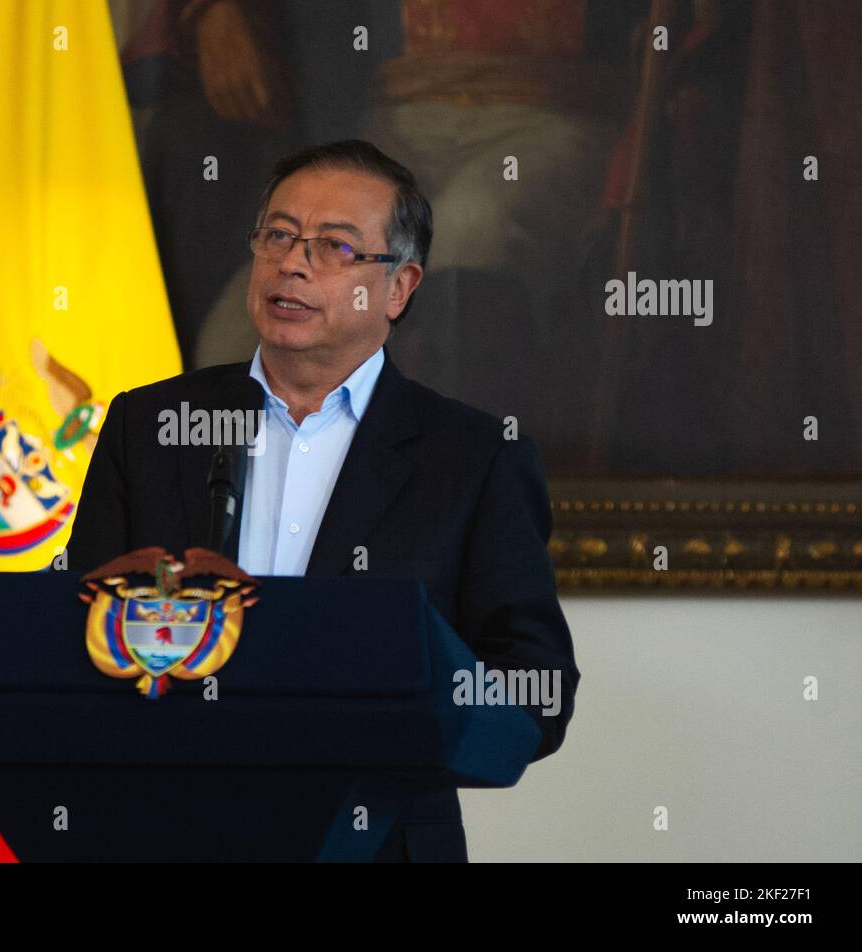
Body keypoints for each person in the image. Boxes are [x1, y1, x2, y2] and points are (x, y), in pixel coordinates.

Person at [67, 139, 578, 862]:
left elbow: (538, 688)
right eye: (278, 235)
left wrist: (390, 719)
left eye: (335, 246)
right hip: (166, 835)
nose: (293, 262)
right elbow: (77, 628)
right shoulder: (149, 427)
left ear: (399, 289)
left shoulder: (472, 459)